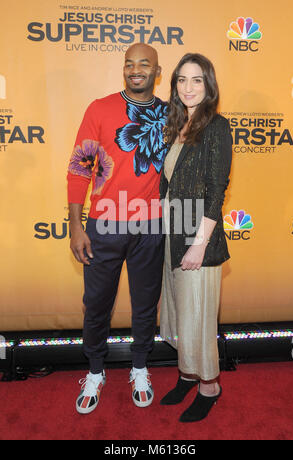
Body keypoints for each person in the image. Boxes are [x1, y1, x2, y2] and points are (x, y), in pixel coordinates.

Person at [67, 43, 168, 414]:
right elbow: (80, 168)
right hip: (103, 226)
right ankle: (95, 371)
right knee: (95, 306)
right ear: (123, 69)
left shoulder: (171, 114)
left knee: (145, 306)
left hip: (151, 226)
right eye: (129, 64)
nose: (135, 70)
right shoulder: (100, 108)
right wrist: (76, 226)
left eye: (144, 64)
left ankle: (140, 367)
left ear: (158, 72)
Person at [159, 53, 232, 422]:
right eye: (182, 80)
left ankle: (210, 387)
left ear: (209, 85)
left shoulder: (216, 127)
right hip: (173, 236)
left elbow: (217, 190)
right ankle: (188, 374)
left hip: (197, 242)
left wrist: (200, 244)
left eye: (197, 80)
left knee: (199, 318)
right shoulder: (179, 126)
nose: (188, 88)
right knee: (179, 314)